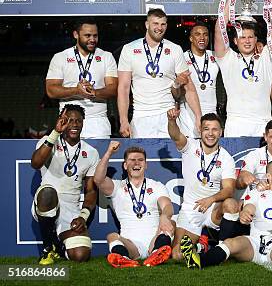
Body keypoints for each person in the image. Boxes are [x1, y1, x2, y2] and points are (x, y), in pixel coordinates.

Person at [179, 160, 272, 269]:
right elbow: (249, 208)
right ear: (268, 176)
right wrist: (244, 214)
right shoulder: (255, 194)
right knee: (231, 243)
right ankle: (198, 260)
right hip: (254, 242)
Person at [30, 104, 99, 264]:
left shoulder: (91, 153)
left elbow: (90, 192)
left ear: (83, 123)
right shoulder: (48, 141)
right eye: (69, 120)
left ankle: (57, 245)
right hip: (46, 203)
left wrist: (82, 217)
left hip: (71, 209)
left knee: (81, 255)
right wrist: (55, 133)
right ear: (61, 120)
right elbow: (35, 163)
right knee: (48, 192)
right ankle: (48, 249)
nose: (74, 124)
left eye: (78, 121)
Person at [117, 8, 201, 138]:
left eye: (163, 24)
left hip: (168, 114)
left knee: (171, 157)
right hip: (141, 115)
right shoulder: (129, 49)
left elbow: (189, 87)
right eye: (155, 23)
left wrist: (198, 116)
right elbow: (123, 88)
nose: (159, 28)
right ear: (147, 24)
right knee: (141, 157)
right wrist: (123, 120)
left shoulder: (174, 49)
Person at [167, 109, 239, 259]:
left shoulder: (226, 158)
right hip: (192, 208)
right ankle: (201, 246)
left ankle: (220, 249)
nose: (210, 133)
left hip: (214, 209)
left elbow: (229, 189)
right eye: (206, 129)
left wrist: (211, 199)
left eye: (215, 129)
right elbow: (175, 135)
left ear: (221, 132)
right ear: (200, 130)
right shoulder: (190, 147)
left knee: (231, 204)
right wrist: (172, 121)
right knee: (177, 254)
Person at [213, 0, 272, 137]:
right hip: (236, 124)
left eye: (250, 37)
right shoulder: (227, 58)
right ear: (235, 41)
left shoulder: (265, 57)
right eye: (242, 37)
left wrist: (269, 0)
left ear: (256, 39)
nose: (247, 40)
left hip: (263, 124)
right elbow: (220, 28)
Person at [93, 142, 175, 267]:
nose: (136, 163)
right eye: (132, 160)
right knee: (112, 236)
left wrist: (165, 216)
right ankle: (124, 258)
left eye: (140, 160)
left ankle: (156, 253)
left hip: (155, 239)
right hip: (131, 244)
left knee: (171, 223)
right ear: (125, 165)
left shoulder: (157, 186)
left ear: (146, 165)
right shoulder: (117, 187)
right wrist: (109, 152)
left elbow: (167, 206)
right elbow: (98, 179)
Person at [45, 18, 117, 138]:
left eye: (95, 35)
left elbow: (113, 88)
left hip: (98, 124)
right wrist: (77, 91)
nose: (92, 40)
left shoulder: (106, 57)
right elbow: (51, 90)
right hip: (68, 123)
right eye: (87, 35)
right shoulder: (60, 57)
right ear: (76, 34)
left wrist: (94, 92)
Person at [177, 22, 220, 138]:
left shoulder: (216, 56)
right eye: (198, 34)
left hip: (211, 112)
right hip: (188, 114)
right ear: (191, 38)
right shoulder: (182, 58)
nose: (202, 37)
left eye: (205, 34)